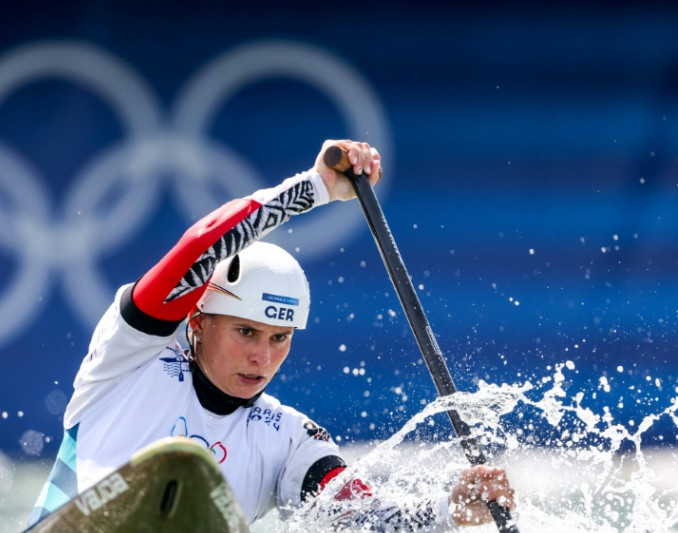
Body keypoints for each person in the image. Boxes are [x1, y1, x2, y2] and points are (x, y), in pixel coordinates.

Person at [28, 140, 516, 530]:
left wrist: (448, 511)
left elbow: (365, 519)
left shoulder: (286, 438)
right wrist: (315, 188)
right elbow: (201, 246)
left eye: (280, 338)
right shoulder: (128, 358)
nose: (262, 357)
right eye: (246, 331)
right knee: (180, 464)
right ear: (197, 321)